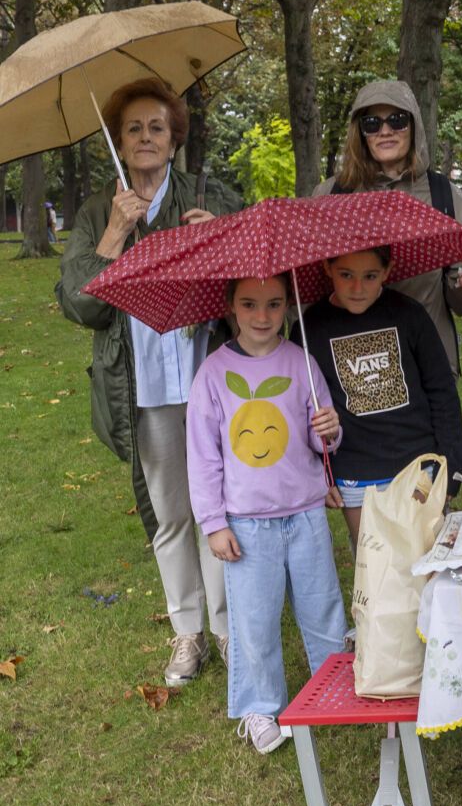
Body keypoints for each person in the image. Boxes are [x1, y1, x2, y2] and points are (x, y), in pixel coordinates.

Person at [56, 77, 240, 688]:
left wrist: (218, 237)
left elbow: (257, 282)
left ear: (173, 137)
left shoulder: (206, 195)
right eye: (132, 128)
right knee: (171, 514)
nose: (144, 137)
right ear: (118, 140)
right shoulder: (94, 212)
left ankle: (226, 629)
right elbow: (81, 308)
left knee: (221, 506)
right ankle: (188, 630)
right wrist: (112, 233)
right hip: (145, 389)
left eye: (155, 127)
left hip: (209, 381)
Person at [185, 275, 345, 754]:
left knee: (323, 607)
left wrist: (330, 431)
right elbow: (203, 455)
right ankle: (258, 706)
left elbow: (325, 439)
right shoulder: (214, 374)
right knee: (254, 621)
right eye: (249, 304)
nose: (262, 316)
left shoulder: (301, 363)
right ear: (230, 306)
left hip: (306, 514)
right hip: (248, 524)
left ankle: (333, 685)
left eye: (274, 304)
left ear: (287, 306)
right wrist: (213, 522)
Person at [317, 80, 462, 373]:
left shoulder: (446, 198)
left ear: (414, 126)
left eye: (397, 120)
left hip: (424, 361)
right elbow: (310, 284)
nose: (385, 131)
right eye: (372, 123)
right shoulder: (331, 196)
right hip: (351, 361)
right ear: (360, 132)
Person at [301, 248, 462, 547]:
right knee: (375, 572)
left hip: (419, 466)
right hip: (356, 474)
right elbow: (303, 410)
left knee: (426, 562)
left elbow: (442, 393)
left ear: (387, 271)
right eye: (346, 275)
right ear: (327, 267)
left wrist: (451, 469)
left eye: (370, 276)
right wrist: (319, 474)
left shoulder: (408, 314)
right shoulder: (311, 327)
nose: (357, 287)